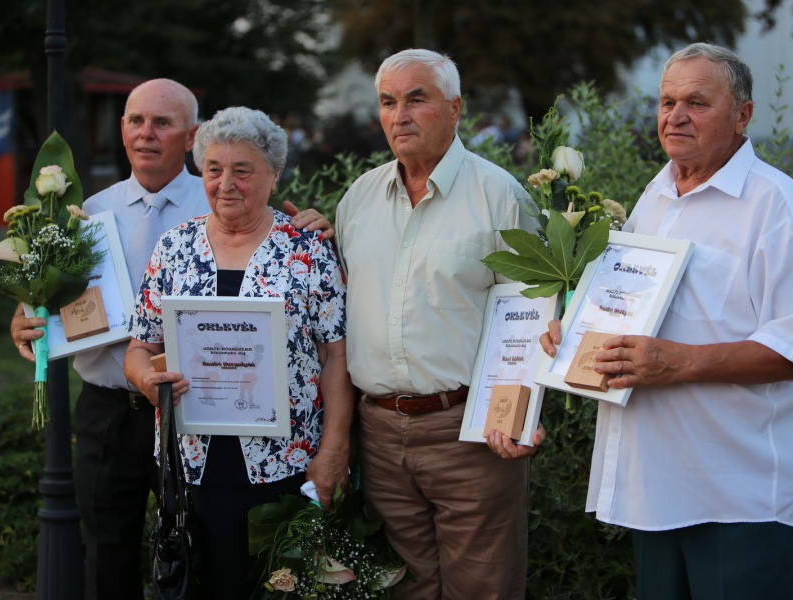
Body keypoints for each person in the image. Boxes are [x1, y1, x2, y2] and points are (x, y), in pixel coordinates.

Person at [8, 79, 330, 600]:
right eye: (136, 121)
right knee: (108, 556)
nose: (146, 134)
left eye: (162, 123)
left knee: (190, 558)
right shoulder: (85, 214)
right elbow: (57, 301)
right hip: (111, 411)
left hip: (196, 423)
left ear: (191, 136)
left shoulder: (228, 209)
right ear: (121, 129)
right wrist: (28, 318)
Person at [540, 43, 793, 599]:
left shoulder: (776, 206)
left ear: (743, 114)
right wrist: (576, 336)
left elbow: (788, 346)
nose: (675, 116)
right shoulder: (654, 198)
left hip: (736, 496)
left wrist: (679, 362)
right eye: (667, 101)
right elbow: (633, 311)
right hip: (652, 489)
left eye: (697, 102)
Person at [334, 49, 545, 600]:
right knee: (404, 590)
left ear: (455, 108)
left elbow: (531, 318)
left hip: (471, 435)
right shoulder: (358, 200)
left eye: (416, 99)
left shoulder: (501, 197)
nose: (399, 115)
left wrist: (516, 415)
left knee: (483, 589)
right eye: (387, 102)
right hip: (379, 435)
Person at [123, 106, 352, 599]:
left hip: (285, 465)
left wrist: (334, 451)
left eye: (242, 171)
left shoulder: (307, 250)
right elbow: (140, 347)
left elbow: (338, 356)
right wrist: (146, 380)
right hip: (193, 466)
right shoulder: (173, 248)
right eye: (213, 170)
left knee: (279, 589)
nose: (226, 183)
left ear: (273, 174)